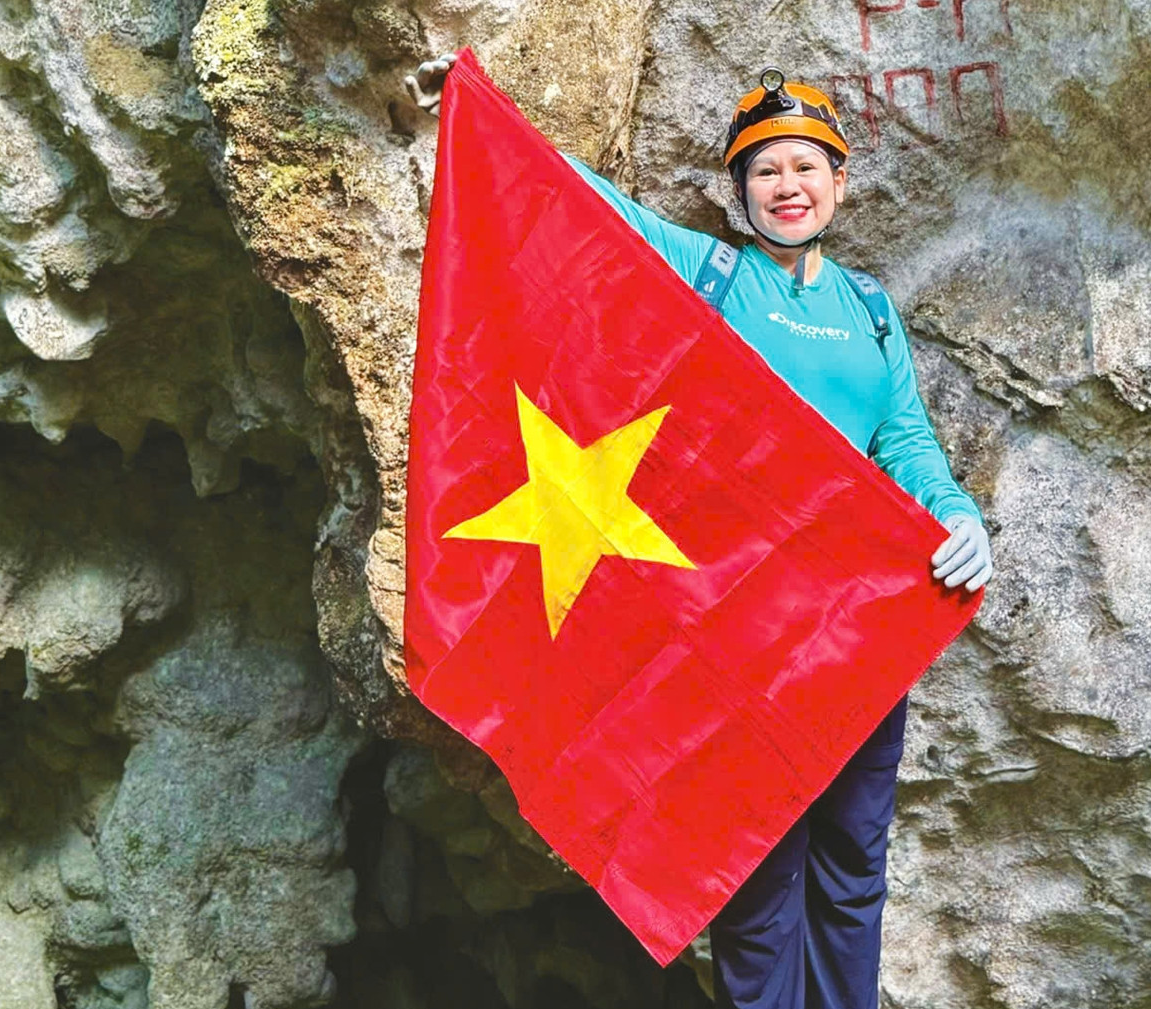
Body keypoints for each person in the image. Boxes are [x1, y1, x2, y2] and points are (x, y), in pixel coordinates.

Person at [406, 54, 992, 1009]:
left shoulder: (871, 311)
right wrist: (477, 108)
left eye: (806, 167)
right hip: (736, 636)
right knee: (756, 869)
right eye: (765, 170)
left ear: (840, 183)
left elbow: (904, 441)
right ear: (739, 191)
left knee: (853, 865)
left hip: (851, 631)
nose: (787, 186)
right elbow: (577, 208)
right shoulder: (706, 271)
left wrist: (956, 510)